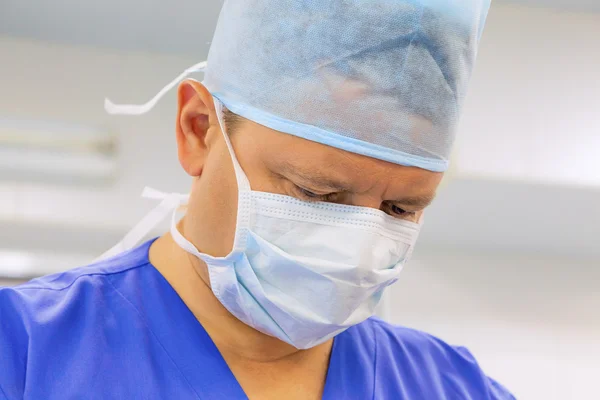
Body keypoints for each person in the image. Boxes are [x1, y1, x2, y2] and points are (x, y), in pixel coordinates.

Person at [0, 1, 515, 399]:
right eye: (316, 192)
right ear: (198, 131)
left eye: (400, 208)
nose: (357, 246)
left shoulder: (452, 386)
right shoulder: (25, 353)